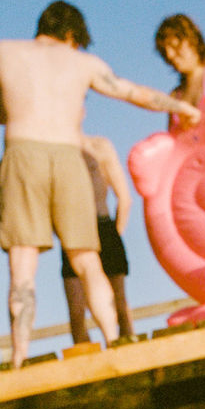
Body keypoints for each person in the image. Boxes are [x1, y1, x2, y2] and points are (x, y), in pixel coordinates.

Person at [0, 0, 200, 368]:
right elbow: (132, 92)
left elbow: (0, 113)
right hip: (69, 156)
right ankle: (115, 339)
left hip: (23, 152)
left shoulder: (5, 51)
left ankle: (20, 353)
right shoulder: (82, 63)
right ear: (73, 34)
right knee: (87, 260)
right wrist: (181, 108)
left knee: (22, 265)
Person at [60, 134, 134, 344]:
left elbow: (125, 199)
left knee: (119, 305)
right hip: (73, 234)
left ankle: (129, 358)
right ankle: (87, 368)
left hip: (103, 226)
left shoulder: (99, 147)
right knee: (76, 313)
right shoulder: (55, 150)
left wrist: (114, 236)